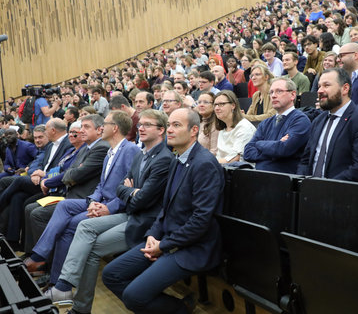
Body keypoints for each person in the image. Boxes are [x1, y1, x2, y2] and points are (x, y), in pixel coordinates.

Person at [44, 110, 173, 312]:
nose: (141, 127)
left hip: (143, 221)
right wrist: (127, 192)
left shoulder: (160, 157)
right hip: (130, 212)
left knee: (87, 240)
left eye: (148, 125)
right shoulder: (142, 155)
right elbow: (121, 187)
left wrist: (128, 192)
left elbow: (141, 198)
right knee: (85, 229)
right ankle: (67, 290)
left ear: (161, 130)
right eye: (141, 124)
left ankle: (73, 299)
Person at [102, 108, 224, 314]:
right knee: (111, 274)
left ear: (194, 130)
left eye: (177, 125)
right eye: (169, 125)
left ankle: (179, 309)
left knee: (133, 296)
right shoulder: (178, 159)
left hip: (192, 247)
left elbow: (200, 220)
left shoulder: (204, 164)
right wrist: (152, 235)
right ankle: (177, 308)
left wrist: (163, 245)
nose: (170, 130)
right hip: (167, 240)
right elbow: (165, 209)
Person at [24, 111, 139, 284]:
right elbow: (101, 184)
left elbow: (128, 187)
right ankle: (40, 255)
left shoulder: (129, 150)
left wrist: (108, 207)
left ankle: (57, 281)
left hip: (112, 206)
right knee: (63, 206)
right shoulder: (110, 151)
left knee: (68, 224)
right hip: (97, 200)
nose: (81, 131)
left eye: (103, 125)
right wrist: (94, 201)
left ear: (114, 128)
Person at [297, 68, 358, 183]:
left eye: (326, 85)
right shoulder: (319, 120)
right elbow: (306, 160)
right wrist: (302, 183)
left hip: (341, 193)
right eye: (319, 86)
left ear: (345, 88)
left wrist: (325, 186)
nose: (320, 91)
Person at [244, 78, 311, 173]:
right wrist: (275, 148)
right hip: (260, 177)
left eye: (279, 91)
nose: (273, 96)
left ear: (292, 95)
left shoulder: (300, 120)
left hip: (284, 180)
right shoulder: (265, 123)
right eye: (271, 92)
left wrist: (259, 144)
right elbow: (247, 152)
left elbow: (282, 149)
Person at [214, 90, 256, 164]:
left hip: (239, 172)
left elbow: (235, 158)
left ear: (233, 105)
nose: (217, 108)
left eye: (221, 104)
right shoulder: (223, 129)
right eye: (215, 105)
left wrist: (210, 163)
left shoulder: (244, 128)